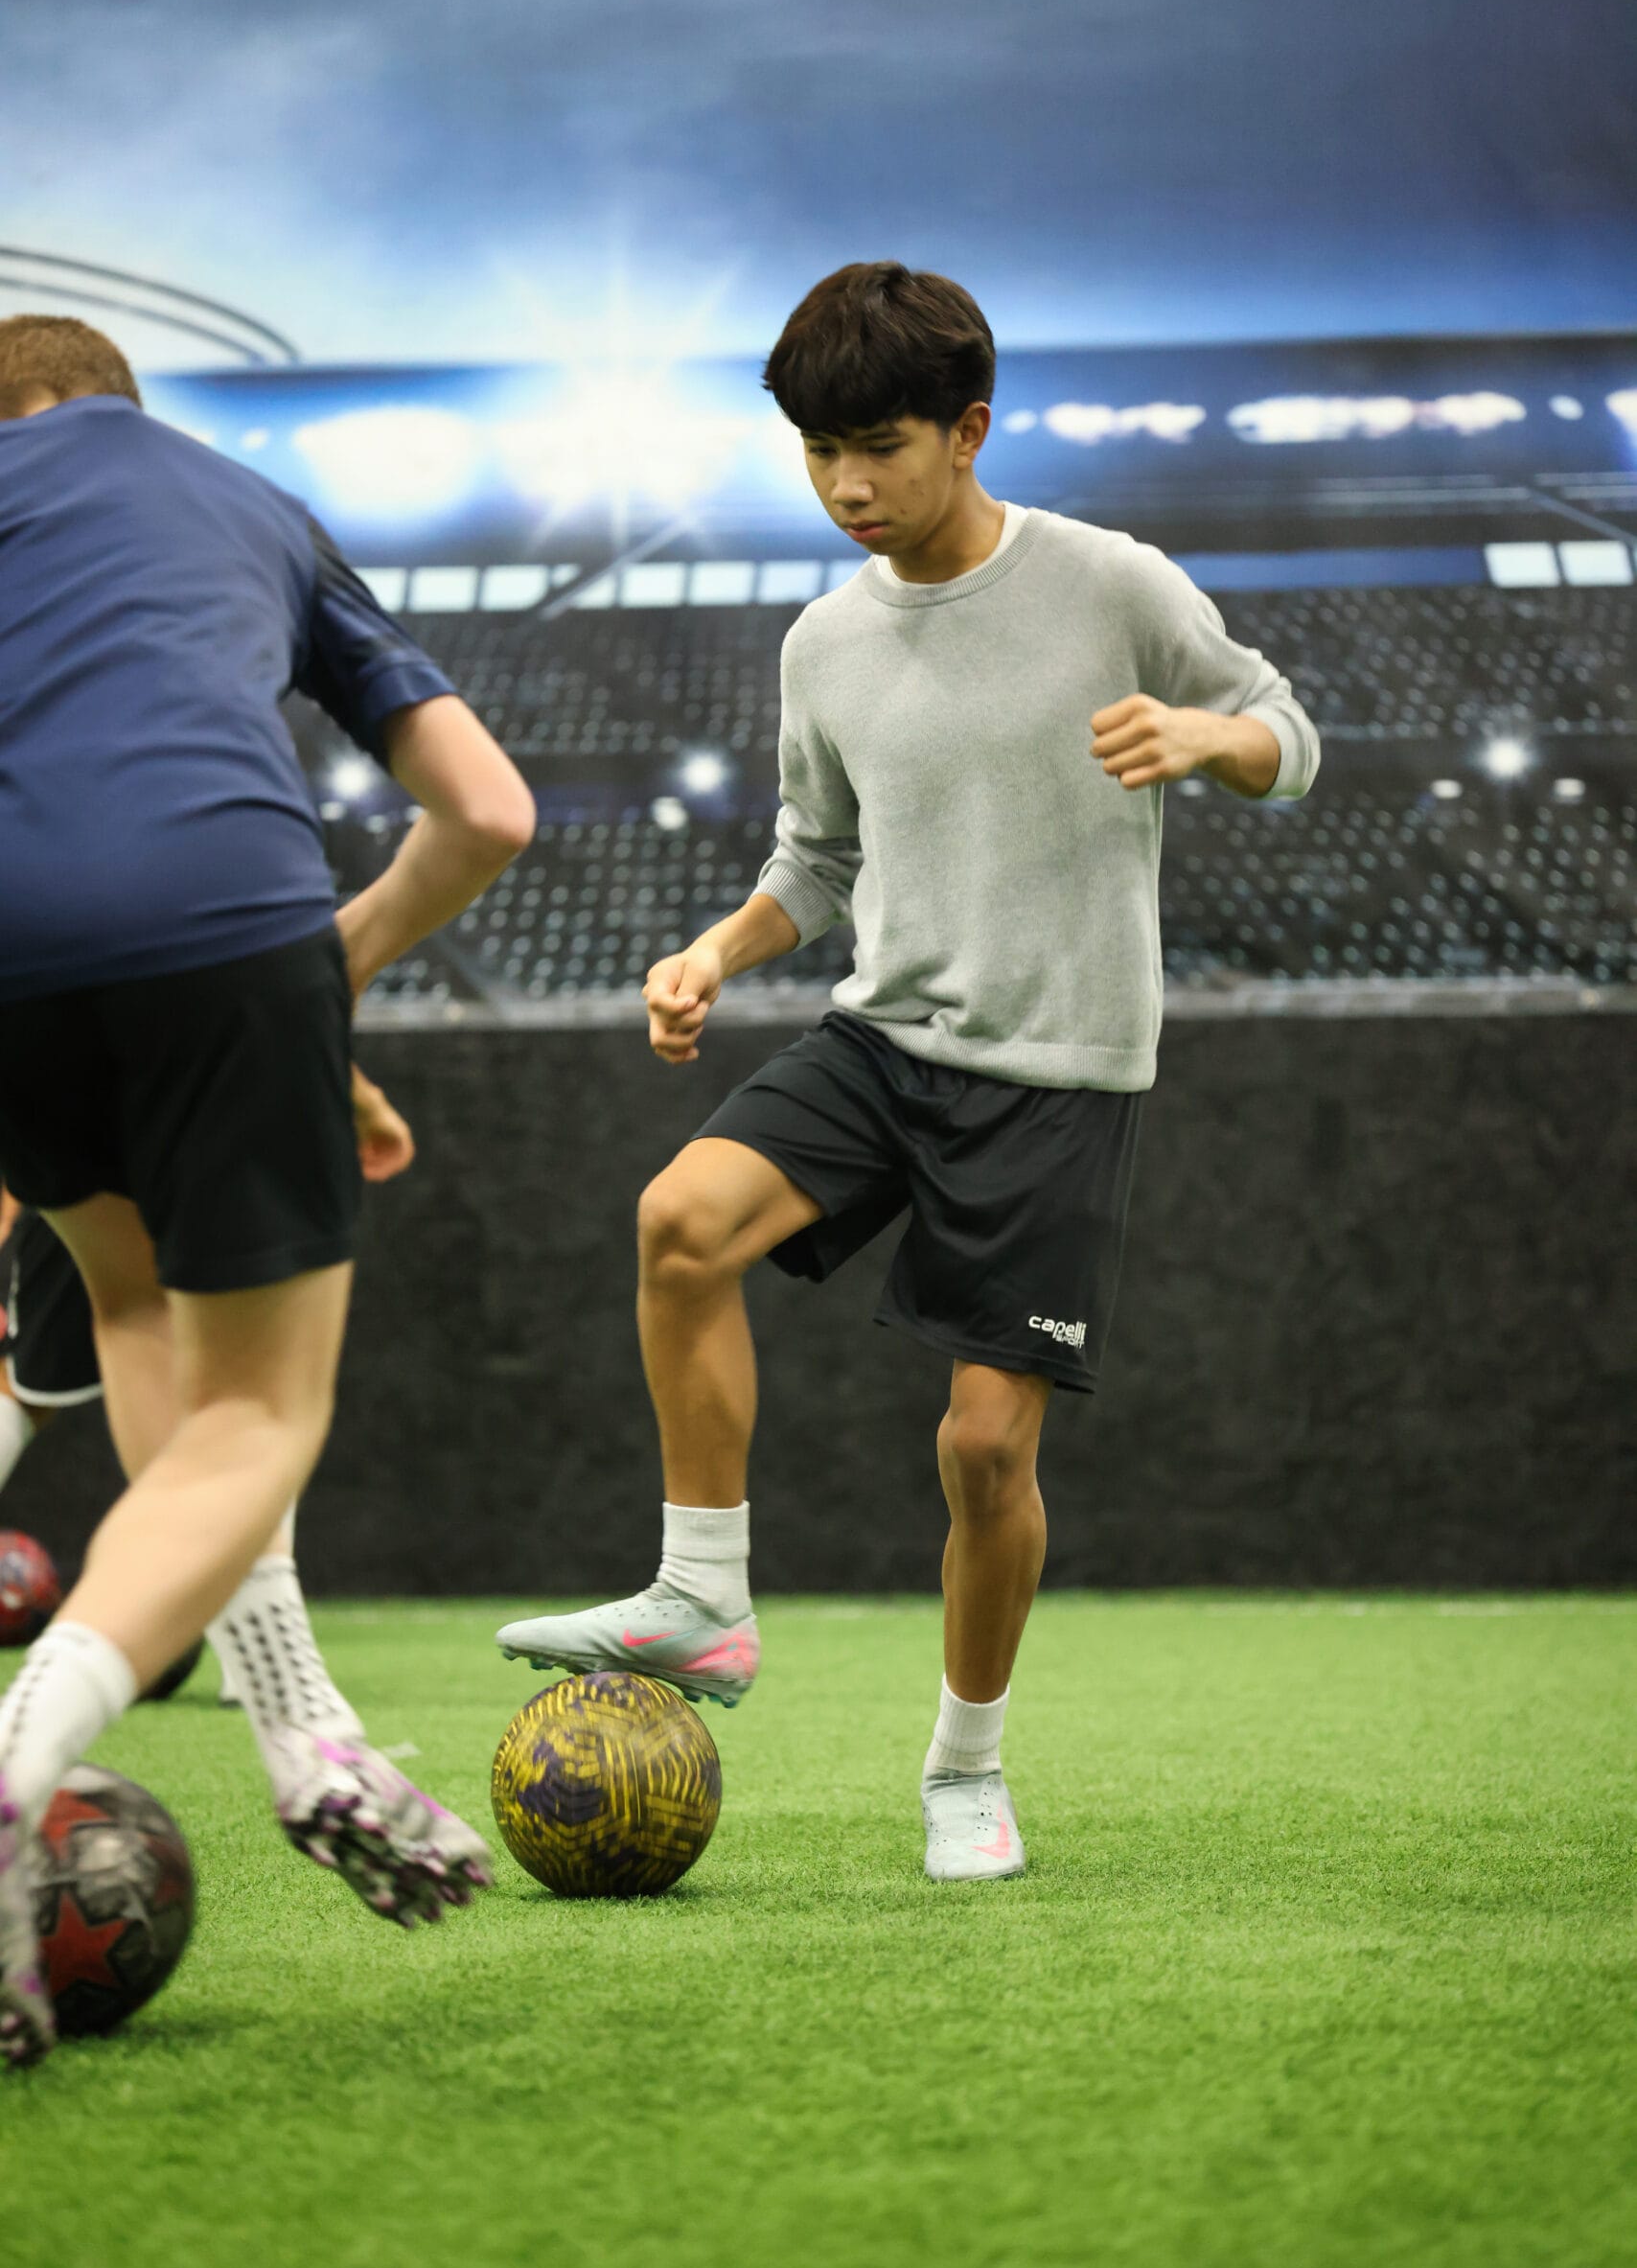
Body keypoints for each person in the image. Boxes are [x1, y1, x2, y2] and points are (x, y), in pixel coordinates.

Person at [496, 262, 1321, 1883]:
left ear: (968, 428)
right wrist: (711, 957)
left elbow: (1283, 734)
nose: (846, 485)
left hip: (1057, 1073)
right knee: (679, 1219)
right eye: (815, 451)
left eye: (876, 443)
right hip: (884, 1041)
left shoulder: (1111, 583)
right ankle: (702, 1597)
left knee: (981, 1452)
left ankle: (964, 1767)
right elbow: (814, 855)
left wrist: (1206, 742)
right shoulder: (824, 641)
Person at [0, 315, 536, 2068]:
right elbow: (486, 815)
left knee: (138, 1311)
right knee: (258, 1416)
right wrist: (328, 976)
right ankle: (25, 1759)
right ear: (117, 407)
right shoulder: (249, 505)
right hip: (229, 917)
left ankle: (302, 1725)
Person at [0, 1063, 412, 1721]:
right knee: (256, 1391)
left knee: (197, 1368)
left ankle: (260, 1672)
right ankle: (263, 1679)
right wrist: (361, 1098)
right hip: (217, 1114)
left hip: (115, 1113)